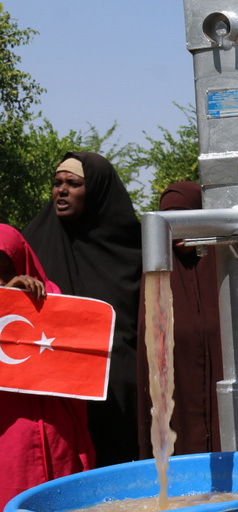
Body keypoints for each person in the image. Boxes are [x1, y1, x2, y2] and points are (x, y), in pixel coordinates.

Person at [22, 152, 143, 467]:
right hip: (58, 389)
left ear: (97, 191)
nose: (62, 191)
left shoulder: (133, 248)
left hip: (120, 392)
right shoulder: (31, 243)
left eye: (73, 184)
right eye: (57, 183)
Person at [0, 225, 95, 512]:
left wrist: (30, 306)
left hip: (57, 434)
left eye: (6, 270)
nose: (2, 281)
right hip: (8, 439)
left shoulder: (50, 297)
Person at [136, 181, 223, 458]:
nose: (178, 231)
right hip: (178, 393)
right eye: (169, 223)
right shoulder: (156, 276)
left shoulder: (224, 267)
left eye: (185, 220)